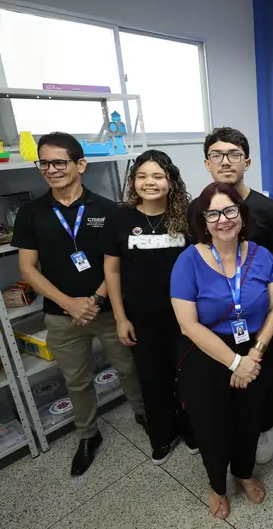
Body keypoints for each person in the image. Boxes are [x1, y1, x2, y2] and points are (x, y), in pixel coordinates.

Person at [12, 132, 145, 476]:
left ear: (80, 164)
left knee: (129, 368)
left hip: (110, 310)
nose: (51, 169)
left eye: (59, 162)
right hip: (62, 316)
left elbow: (117, 262)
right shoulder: (31, 213)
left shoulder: (108, 209)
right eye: (44, 163)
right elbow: (27, 269)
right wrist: (69, 303)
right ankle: (88, 434)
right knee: (77, 381)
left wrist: (97, 299)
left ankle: (144, 415)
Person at [171, 182, 273, 520]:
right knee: (212, 425)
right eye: (213, 213)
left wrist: (255, 354)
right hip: (205, 352)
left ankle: (244, 473)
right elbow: (188, 325)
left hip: (253, 349)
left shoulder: (262, 256)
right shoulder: (188, 261)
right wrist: (236, 362)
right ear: (203, 221)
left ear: (241, 214)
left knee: (250, 419)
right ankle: (217, 485)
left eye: (230, 210)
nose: (223, 219)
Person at [200, 126, 273, 464]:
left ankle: (264, 424)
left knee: (263, 374)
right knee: (219, 374)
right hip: (215, 320)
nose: (226, 161)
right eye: (217, 155)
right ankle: (227, 428)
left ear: (247, 162)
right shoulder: (201, 208)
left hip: (259, 319)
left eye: (234, 154)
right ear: (207, 163)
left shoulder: (268, 210)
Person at [103, 150, 194, 467]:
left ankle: (192, 430)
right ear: (133, 181)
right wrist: (120, 318)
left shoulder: (185, 217)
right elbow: (111, 271)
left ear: (170, 181)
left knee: (188, 376)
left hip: (185, 318)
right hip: (141, 318)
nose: (149, 182)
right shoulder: (121, 218)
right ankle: (163, 434)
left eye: (157, 176)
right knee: (153, 379)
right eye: (142, 176)